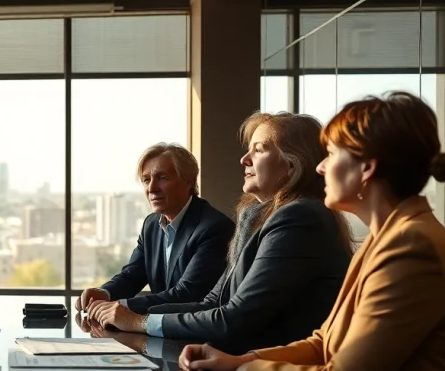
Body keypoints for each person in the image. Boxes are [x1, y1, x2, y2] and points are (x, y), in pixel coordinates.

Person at [180, 92, 445, 371]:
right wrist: (243, 361)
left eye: (331, 155)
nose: (319, 168)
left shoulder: (412, 246)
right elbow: (324, 342)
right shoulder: (383, 238)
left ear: (366, 169)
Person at [86, 112, 352, 354]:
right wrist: (120, 311)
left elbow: (232, 319)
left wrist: (137, 320)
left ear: (292, 165)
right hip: (242, 361)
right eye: (146, 180)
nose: (244, 159)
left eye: (258, 150)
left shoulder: (299, 218)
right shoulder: (258, 218)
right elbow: (212, 302)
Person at [77, 143, 234, 315]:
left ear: (188, 181)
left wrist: (121, 307)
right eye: (146, 180)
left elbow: (187, 294)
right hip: (159, 331)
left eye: (162, 178)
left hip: (198, 335)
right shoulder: (151, 225)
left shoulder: (214, 228)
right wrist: (104, 293)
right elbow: (132, 275)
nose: (151, 188)